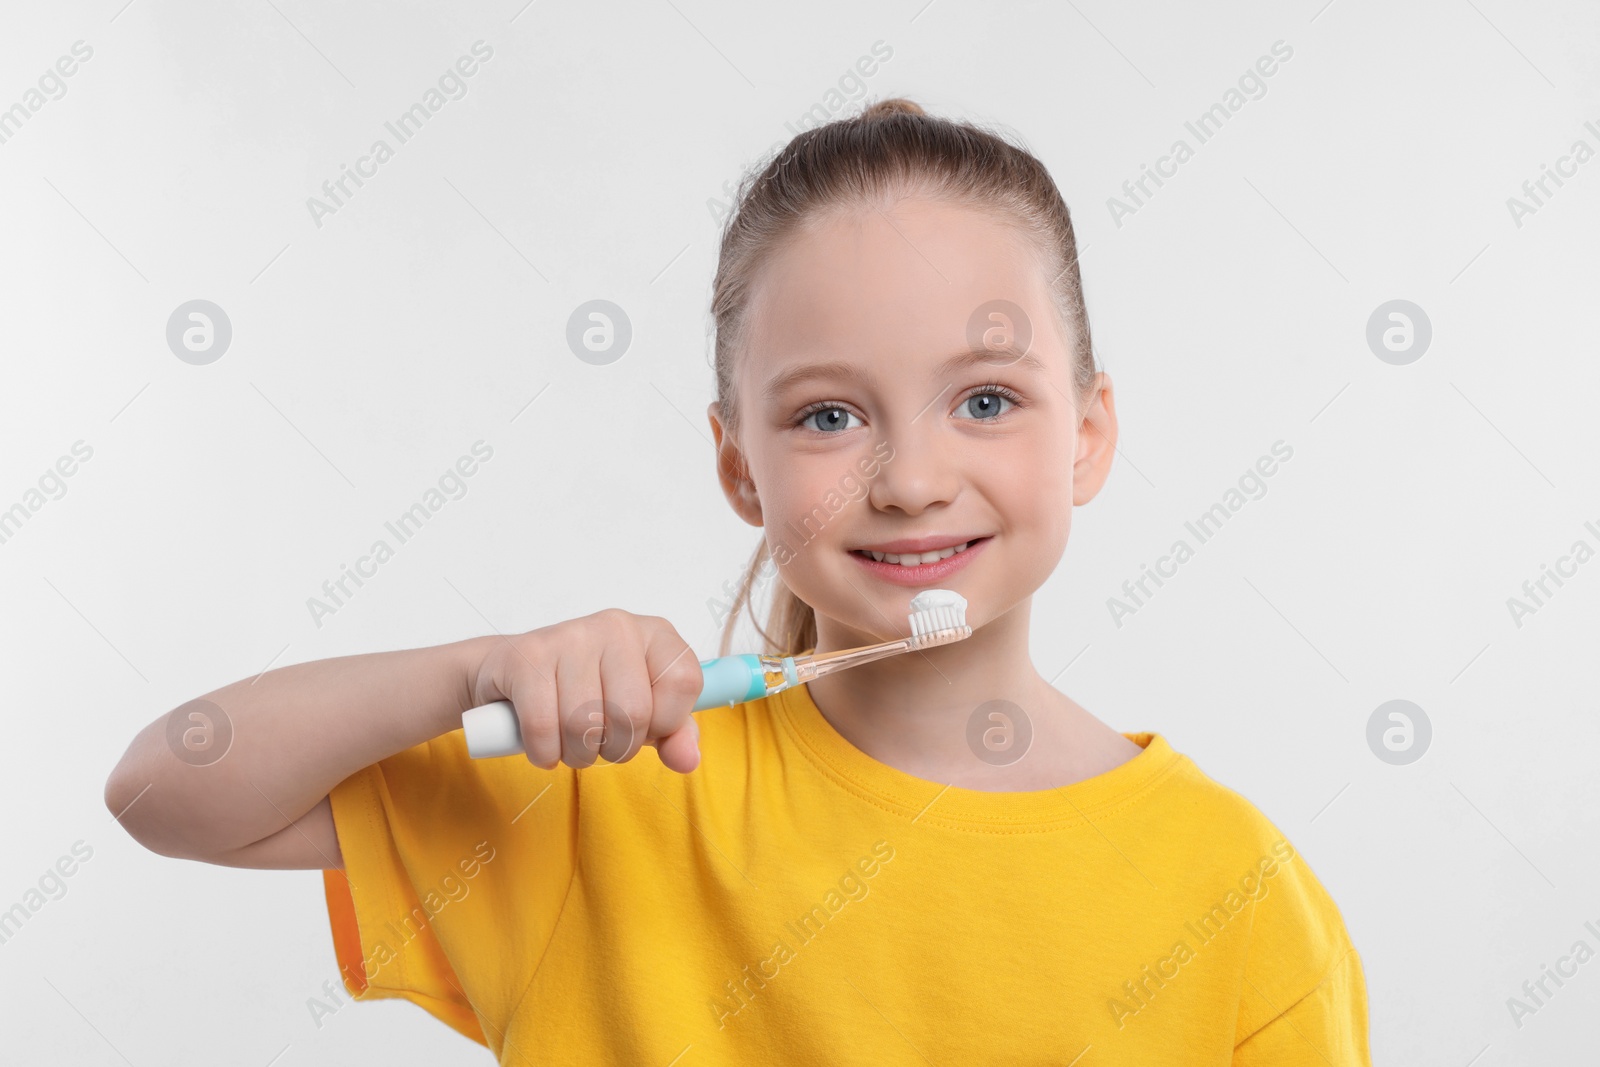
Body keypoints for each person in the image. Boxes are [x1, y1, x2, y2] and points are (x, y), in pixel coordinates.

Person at [105, 97, 1371, 1064]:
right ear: (738, 467)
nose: (912, 477)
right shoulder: (602, 797)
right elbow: (166, 789)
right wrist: (472, 670)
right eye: (828, 416)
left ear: (1087, 433)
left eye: (984, 399)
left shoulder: (1237, 895)